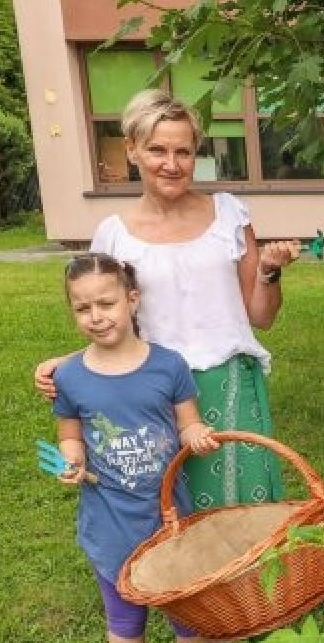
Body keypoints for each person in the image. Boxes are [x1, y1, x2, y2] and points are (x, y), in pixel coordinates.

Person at [35, 89, 300, 511]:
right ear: (132, 150)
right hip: (151, 388)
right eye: (157, 149)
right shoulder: (113, 235)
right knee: (170, 505)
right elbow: (113, 320)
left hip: (229, 382)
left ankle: (247, 580)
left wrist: (269, 270)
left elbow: (261, 316)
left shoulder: (229, 214)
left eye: (184, 151)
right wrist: (71, 362)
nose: (171, 164)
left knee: (242, 508)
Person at [50, 252, 220, 643]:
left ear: (132, 299)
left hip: (169, 523)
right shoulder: (71, 376)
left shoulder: (168, 366)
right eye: (83, 308)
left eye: (106, 302)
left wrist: (197, 434)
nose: (96, 316)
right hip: (110, 527)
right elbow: (69, 434)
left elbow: (187, 421)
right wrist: (71, 460)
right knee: (126, 623)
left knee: (188, 620)